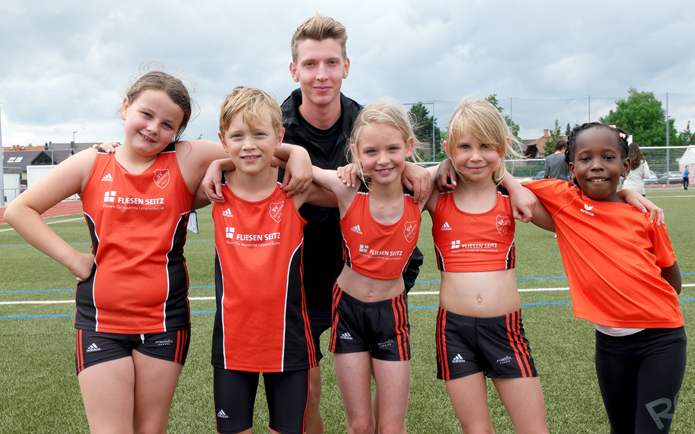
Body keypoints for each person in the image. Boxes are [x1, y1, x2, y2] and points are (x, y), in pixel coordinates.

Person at [5, 71, 311, 434]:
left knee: (151, 428)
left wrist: (298, 153)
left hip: (164, 321)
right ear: (125, 107)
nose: (153, 128)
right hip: (100, 322)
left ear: (178, 133)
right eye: (146, 114)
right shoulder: (91, 162)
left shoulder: (185, 158)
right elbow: (18, 210)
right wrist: (75, 260)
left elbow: (249, 149)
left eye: (168, 124)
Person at [203, 15, 430, 434]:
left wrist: (418, 170)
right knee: (305, 394)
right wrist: (285, 153)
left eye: (330, 63)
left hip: (370, 269)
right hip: (296, 276)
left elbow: (393, 155)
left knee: (383, 389)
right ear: (294, 70)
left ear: (346, 65)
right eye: (310, 64)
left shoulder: (367, 122)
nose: (321, 75)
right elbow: (234, 144)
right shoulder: (276, 121)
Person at [523, 123, 685, 433]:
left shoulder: (646, 216)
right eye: (586, 159)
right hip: (609, 347)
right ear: (571, 168)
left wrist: (628, 193)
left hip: (662, 341)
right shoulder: (567, 204)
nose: (597, 165)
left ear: (625, 166)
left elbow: (672, 283)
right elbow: (508, 184)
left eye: (608, 157)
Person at [201, 86, 338, 434]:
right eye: (237, 136)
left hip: (289, 342)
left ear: (278, 136)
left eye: (260, 134)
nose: (248, 145)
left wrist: (299, 154)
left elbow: (350, 187)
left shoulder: (294, 190)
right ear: (223, 139)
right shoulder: (214, 192)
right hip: (232, 345)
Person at [424, 98, 549, 433]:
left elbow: (572, 213)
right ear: (450, 148)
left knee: (534, 430)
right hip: (454, 332)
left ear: (504, 147)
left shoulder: (515, 198)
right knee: (476, 430)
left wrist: (627, 195)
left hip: (505, 330)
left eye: (486, 146)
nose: (475, 156)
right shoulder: (436, 196)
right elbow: (396, 174)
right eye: (464, 147)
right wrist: (440, 165)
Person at [310, 99, 428, 434]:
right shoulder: (347, 191)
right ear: (356, 153)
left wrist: (509, 180)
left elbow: (467, 170)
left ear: (408, 145)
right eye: (371, 151)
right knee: (360, 424)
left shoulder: (421, 192)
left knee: (392, 426)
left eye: (393, 148)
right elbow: (291, 160)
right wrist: (218, 165)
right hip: (348, 309)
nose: (383, 160)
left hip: (391, 313)